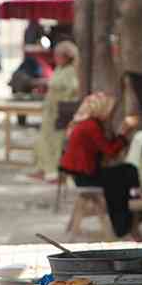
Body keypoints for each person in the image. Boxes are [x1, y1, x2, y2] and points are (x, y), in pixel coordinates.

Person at [59, 92, 141, 239]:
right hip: (85, 176)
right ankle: (130, 210)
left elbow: (106, 149)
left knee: (126, 171)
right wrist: (124, 132)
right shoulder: (90, 125)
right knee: (129, 171)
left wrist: (120, 135)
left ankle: (130, 209)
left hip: (82, 173)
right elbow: (110, 151)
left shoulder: (89, 123)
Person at [32, 40, 80, 181]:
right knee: (44, 140)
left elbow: (73, 88)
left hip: (60, 110)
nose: (56, 58)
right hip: (50, 110)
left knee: (56, 142)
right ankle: (44, 168)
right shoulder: (60, 69)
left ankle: (54, 171)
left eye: (58, 55)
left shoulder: (71, 71)